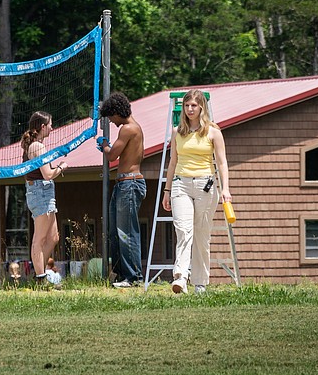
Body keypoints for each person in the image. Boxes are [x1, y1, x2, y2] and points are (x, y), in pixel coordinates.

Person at [161, 89, 231, 295]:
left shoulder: (213, 132)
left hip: (205, 185)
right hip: (180, 185)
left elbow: (222, 162)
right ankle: (180, 277)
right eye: (187, 105)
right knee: (183, 230)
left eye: (194, 105)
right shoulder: (177, 132)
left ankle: (200, 282)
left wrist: (226, 188)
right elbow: (172, 162)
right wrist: (167, 190)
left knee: (201, 235)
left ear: (201, 107)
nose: (190, 109)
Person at [98, 92, 146, 288]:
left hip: (130, 184)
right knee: (115, 233)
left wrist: (104, 145)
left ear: (118, 112)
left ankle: (133, 277)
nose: (111, 121)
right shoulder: (132, 127)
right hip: (123, 185)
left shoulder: (128, 129)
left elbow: (112, 156)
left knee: (126, 233)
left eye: (111, 116)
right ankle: (121, 274)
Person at [21, 111, 68, 283]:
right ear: (42, 127)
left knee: (53, 237)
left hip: (45, 192)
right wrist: (62, 167)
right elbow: (47, 174)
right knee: (39, 238)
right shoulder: (37, 146)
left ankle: (38, 269)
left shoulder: (36, 145)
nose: (52, 128)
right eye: (50, 125)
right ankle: (41, 278)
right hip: (40, 192)